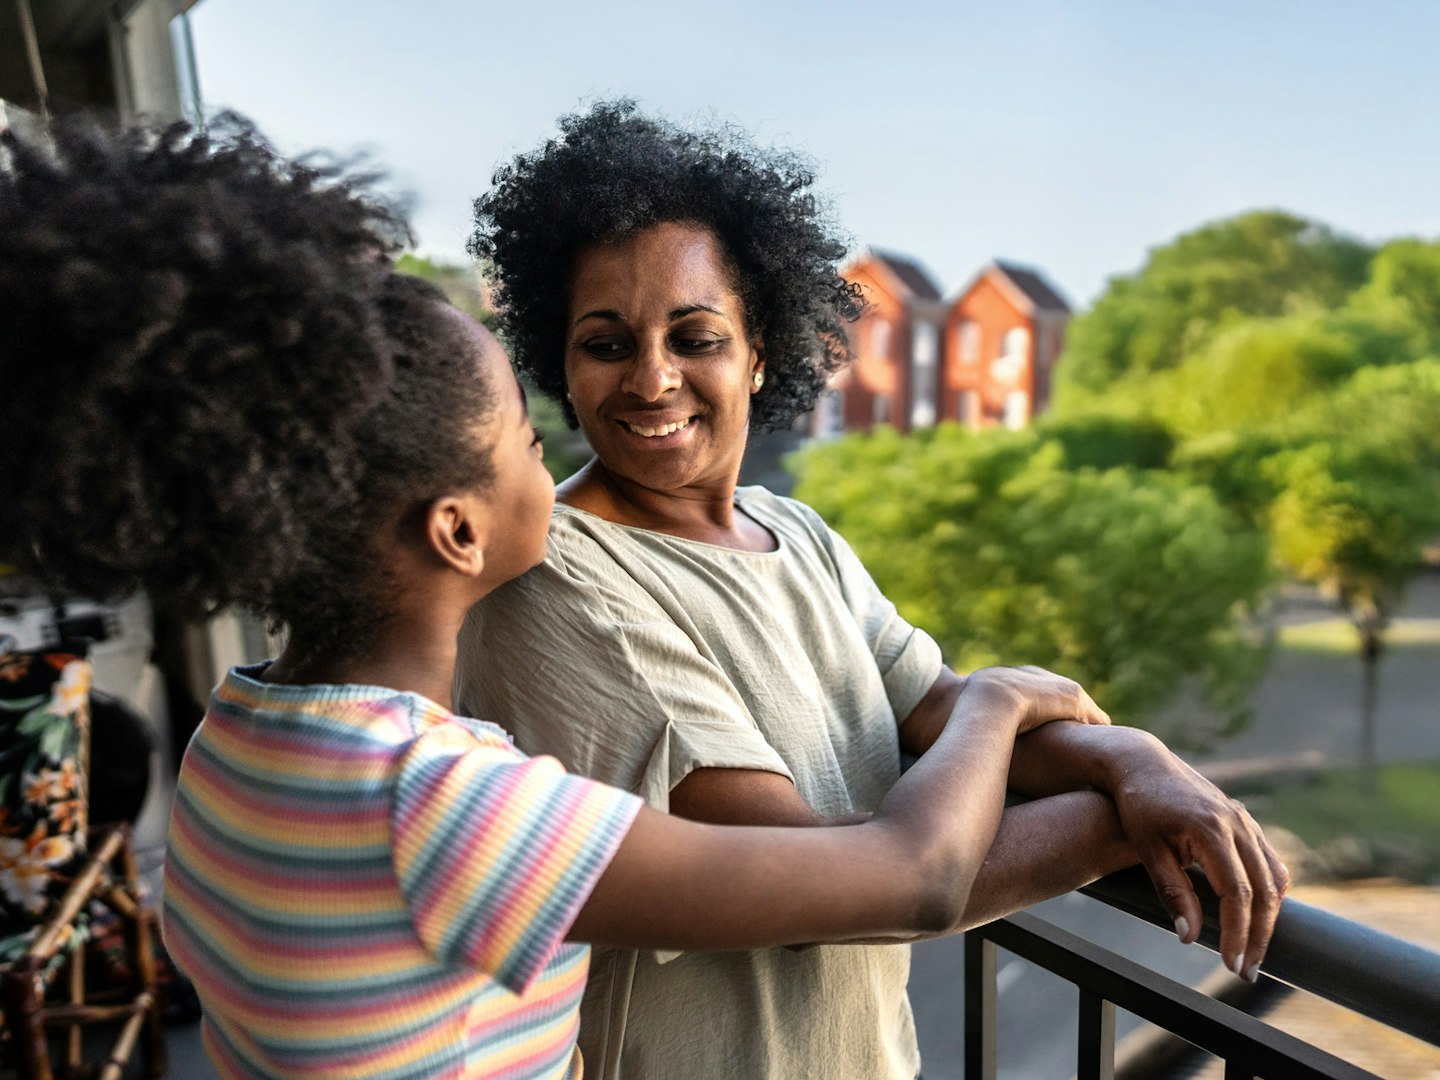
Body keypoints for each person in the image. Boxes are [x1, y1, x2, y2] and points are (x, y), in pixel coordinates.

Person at [0, 115, 1120, 1080]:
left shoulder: (238, 738)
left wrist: (1125, 759)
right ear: (458, 529)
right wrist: (1002, 701)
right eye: (520, 442)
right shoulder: (437, 798)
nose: (558, 462)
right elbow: (910, 881)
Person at [460, 100, 1290, 1080]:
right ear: (561, 360)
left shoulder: (796, 533)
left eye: (695, 337)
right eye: (606, 343)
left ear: (759, 348)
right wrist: (1104, 799)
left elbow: (934, 709)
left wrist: (1135, 756)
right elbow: (842, 886)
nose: (651, 378)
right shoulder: (556, 577)